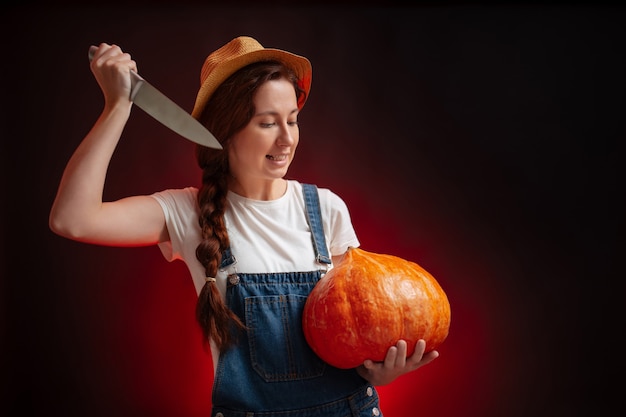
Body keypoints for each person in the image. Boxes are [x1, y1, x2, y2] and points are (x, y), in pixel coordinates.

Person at [49, 36, 439, 417]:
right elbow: (73, 219)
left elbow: (352, 332)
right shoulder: (188, 212)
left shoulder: (326, 208)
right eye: (268, 123)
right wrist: (117, 105)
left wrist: (378, 371)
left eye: (293, 120)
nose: (287, 139)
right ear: (226, 130)